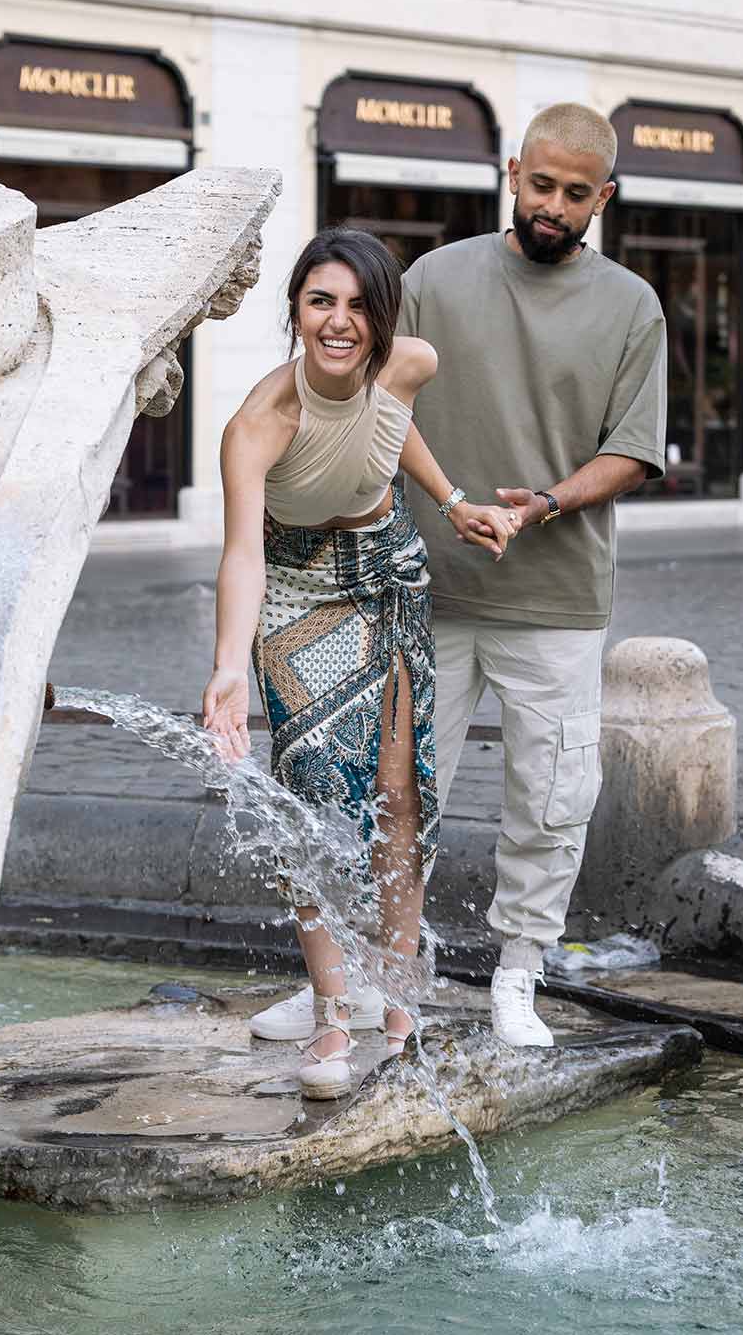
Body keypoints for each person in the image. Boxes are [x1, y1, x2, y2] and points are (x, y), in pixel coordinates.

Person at [201, 228, 517, 1099]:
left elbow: (391, 428)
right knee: (307, 792)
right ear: (296, 311)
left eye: (357, 305)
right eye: (319, 302)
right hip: (297, 592)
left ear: (382, 317)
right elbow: (242, 557)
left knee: (398, 790)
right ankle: (333, 1012)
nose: (339, 323)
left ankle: (403, 1000)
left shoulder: (410, 362)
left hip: (388, 575)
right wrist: (230, 664)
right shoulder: (258, 424)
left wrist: (451, 503)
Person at [398, 102, 668, 1047]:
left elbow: (633, 453)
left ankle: (519, 972)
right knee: (397, 789)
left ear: (605, 196)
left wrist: (541, 504)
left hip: (557, 597)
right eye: (541, 184)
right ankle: (380, 972)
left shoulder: (632, 305)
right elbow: (384, 409)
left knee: (551, 798)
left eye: (575, 193)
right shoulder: (433, 279)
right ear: (514, 174)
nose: (553, 206)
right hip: (427, 588)